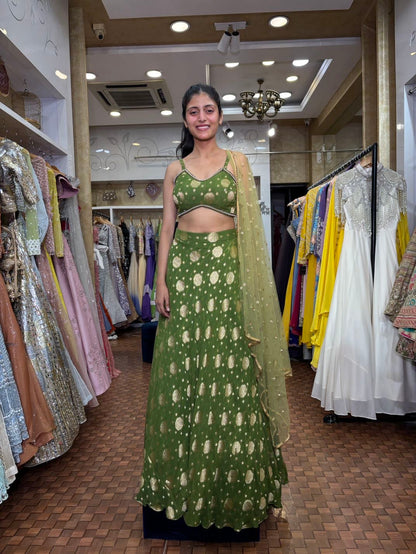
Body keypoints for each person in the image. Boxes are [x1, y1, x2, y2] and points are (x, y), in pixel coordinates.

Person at [136, 83, 291, 532]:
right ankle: (182, 480)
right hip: (184, 275)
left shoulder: (237, 163)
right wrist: (160, 281)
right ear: (185, 119)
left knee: (230, 369)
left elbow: (249, 230)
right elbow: (167, 228)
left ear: (220, 116)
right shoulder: (174, 169)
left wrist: (250, 286)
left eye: (208, 110)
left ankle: (232, 485)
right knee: (183, 368)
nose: (201, 117)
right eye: (193, 111)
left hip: (227, 273)